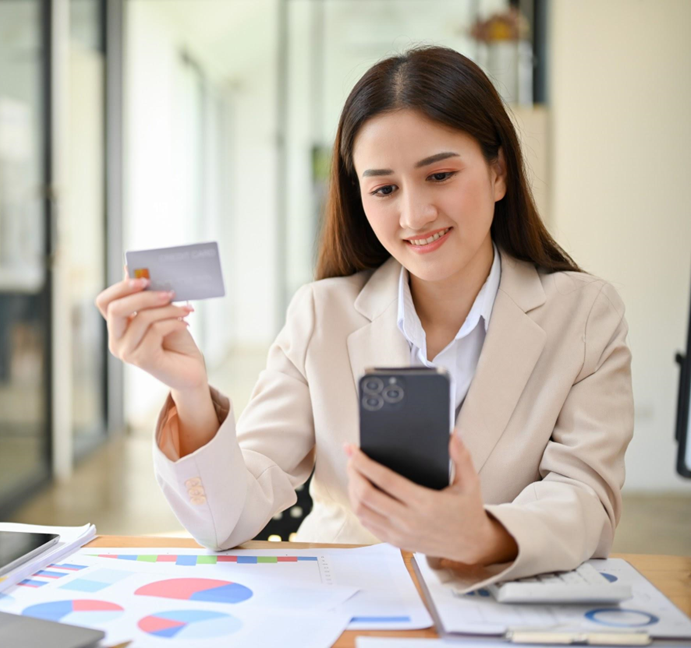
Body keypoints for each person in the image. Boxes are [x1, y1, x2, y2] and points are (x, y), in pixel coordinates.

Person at [95, 46, 633, 587]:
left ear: (498, 172)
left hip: (495, 603)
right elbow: (227, 518)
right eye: (384, 188)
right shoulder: (320, 315)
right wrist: (189, 391)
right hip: (341, 603)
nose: (414, 214)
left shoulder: (584, 314)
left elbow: (585, 498)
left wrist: (480, 535)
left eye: (440, 175)